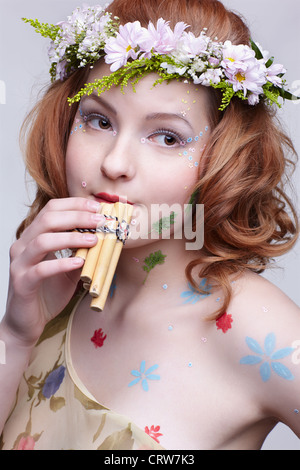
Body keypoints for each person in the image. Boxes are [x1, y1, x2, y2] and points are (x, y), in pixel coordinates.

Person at [0, 0, 299, 451]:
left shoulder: (255, 330)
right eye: (98, 120)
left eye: (167, 137)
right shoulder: (56, 292)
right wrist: (16, 335)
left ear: (226, 158)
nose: (115, 163)